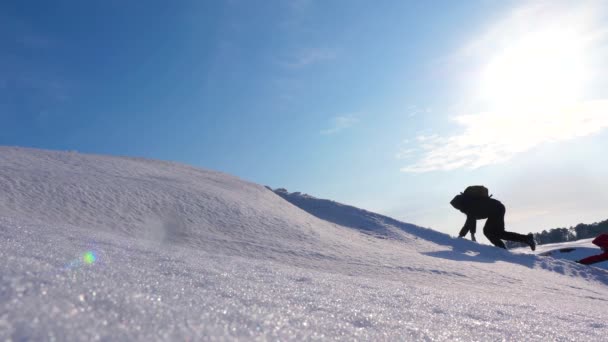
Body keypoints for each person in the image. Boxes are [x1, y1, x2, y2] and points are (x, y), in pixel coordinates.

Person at [450, 191, 536, 250]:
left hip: (496, 209)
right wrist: (466, 235)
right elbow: (470, 221)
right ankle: (526, 239)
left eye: (457, 207)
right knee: (498, 233)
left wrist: (463, 236)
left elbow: (470, 221)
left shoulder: (468, 205)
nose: (458, 209)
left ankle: (502, 248)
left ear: (459, 204)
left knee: (488, 231)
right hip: (497, 208)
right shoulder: (469, 203)